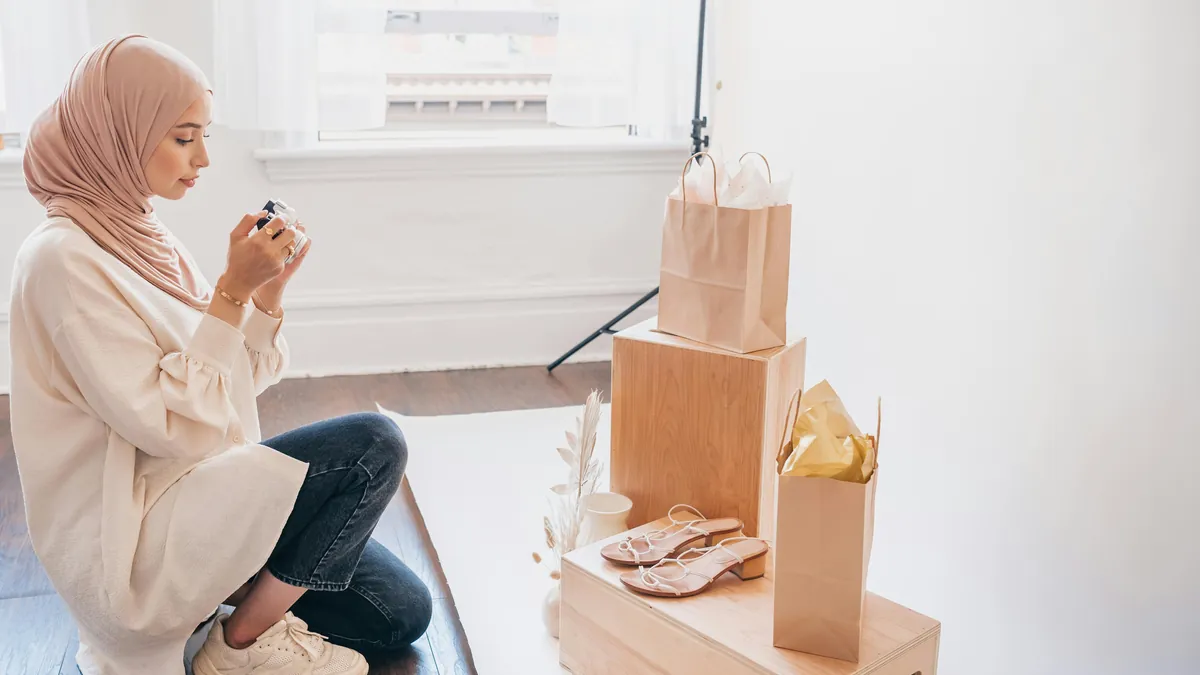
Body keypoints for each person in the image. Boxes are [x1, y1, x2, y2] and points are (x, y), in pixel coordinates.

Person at [7, 35, 432, 675]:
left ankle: (235, 598)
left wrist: (261, 297)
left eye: (205, 135)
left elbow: (228, 385)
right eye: (183, 137)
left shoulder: (139, 231)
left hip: (197, 490)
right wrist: (229, 291)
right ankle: (238, 646)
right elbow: (171, 424)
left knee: (402, 611)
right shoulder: (61, 260)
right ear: (116, 133)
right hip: (141, 537)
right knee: (374, 444)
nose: (203, 157)